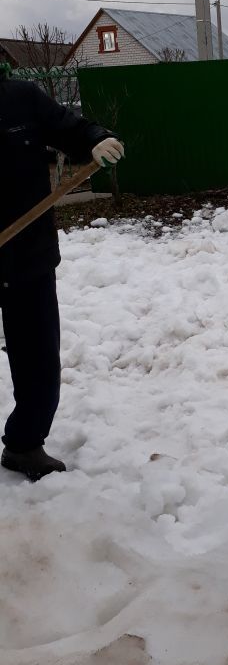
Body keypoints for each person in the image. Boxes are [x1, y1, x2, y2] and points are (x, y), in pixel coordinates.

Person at [0, 63, 124, 480]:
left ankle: (24, 445)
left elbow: (70, 128)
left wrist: (97, 139)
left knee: (38, 361)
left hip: (27, 257)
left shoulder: (21, 98)